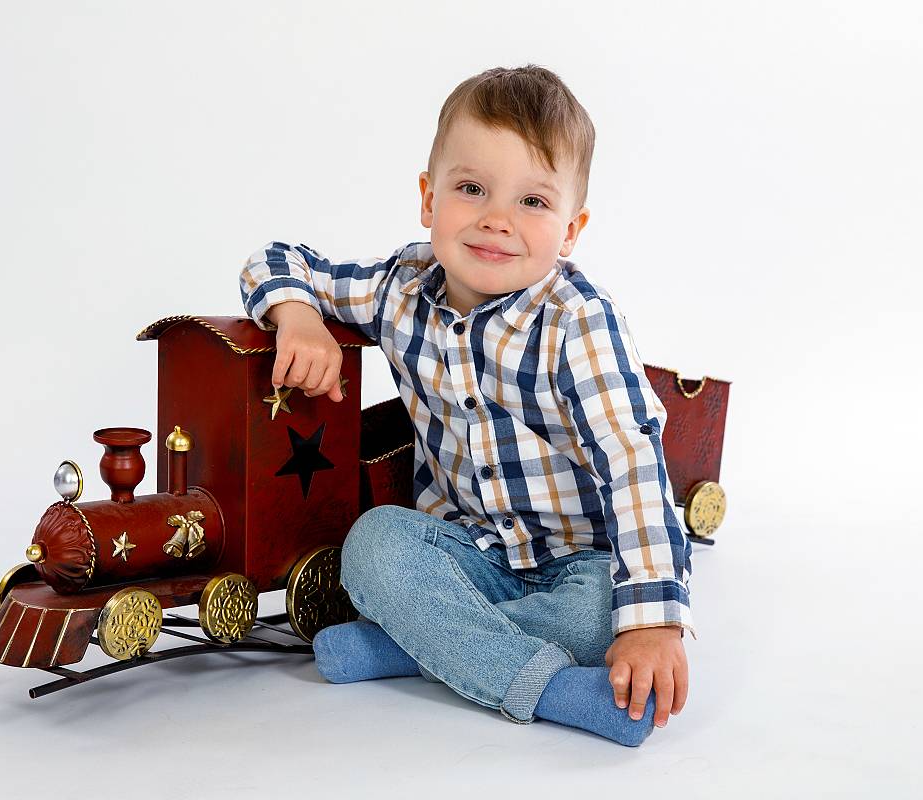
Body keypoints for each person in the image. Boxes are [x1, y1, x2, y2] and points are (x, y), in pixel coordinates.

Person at [237, 65, 693, 747]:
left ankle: (414, 647)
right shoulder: (401, 290)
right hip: (469, 553)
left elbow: (632, 461)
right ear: (429, 197)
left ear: (571, 230)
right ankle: (531, 677)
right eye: (471, 188)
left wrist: (652, 621)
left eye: (533, 201)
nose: (496, 220)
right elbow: (275, 259)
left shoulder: (578, 322)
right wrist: (296, 315)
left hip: (582, 560)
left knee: (598, 618)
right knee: (374, 547)